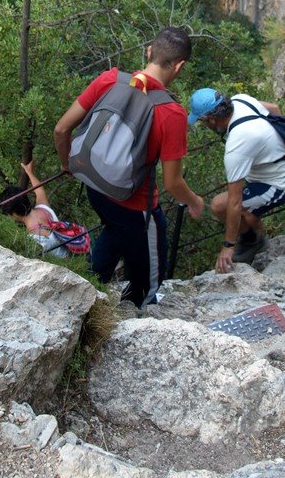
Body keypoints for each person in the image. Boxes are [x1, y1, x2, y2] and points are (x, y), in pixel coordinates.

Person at [54, 26, 205, 307]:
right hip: (136, 208)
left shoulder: (109, 79)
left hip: (96, 187)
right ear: (179, 66)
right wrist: (195, 202)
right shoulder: (171, 113)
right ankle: (137, 317)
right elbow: (173, 183)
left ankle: (87, 297)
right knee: (148, 280)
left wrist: (68, 166)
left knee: (113, 232)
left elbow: (61, 130)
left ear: (149, 51)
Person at [188, 88, 285, 274]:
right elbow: (275, 108)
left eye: (202, 121)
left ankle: (251, 243)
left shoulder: (238, 142)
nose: (204, 125)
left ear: (212, 120)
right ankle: (258, 241)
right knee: (248, 216)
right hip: (272, 172)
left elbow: (234, 201)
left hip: (279, 183)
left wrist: (228, 246)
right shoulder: (240, 100)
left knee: (219, 205)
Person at [0, 161, 70, 259]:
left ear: (13, 213)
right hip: (71, 254)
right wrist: (29, 172)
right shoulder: (44, 208)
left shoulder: (32, 239)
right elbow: (39, 190)